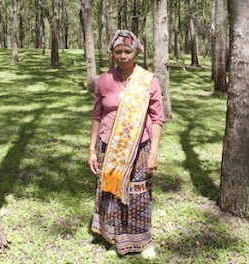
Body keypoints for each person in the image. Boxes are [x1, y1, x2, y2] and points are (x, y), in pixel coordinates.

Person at [88, 29, 164, 258]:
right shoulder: (104, 80)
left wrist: (154, 152)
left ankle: (142, 242)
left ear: (136, 52)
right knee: (111, 191)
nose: (123, 56)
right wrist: (92, 150)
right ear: (111, 54)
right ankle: (113, 238)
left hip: (139, 148)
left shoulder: (148, 80)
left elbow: (157, 117)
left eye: (127, 51)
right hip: (107, 147)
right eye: (118, 51)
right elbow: (97, 115)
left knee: (138, 192)